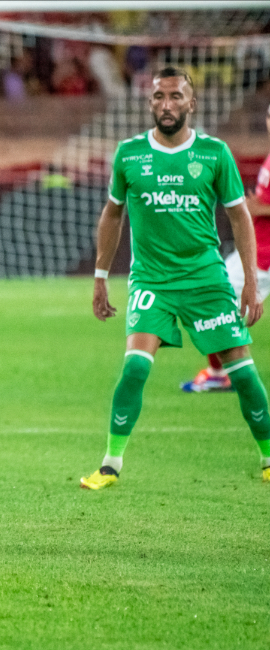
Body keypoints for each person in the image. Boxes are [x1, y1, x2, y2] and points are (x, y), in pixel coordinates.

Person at [83, 66, 268, 490]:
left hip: (207, 280)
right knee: (133, 369)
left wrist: (251, 282)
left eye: (175, 97)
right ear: (151, 103)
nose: (166, 105)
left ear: (192, 103)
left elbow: (240, 215)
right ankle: (110, 464)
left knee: (242, 374)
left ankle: (268, 457)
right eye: (159, 97)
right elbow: (112, 213)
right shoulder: (129, 154)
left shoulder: (213, 153)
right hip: (152, 282)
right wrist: (99, 275)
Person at [181, 102, 270, 393]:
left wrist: (255, 207)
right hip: (258, 248)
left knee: (209, 302)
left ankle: (220, 374)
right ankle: (221, 371)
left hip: (263, 254)